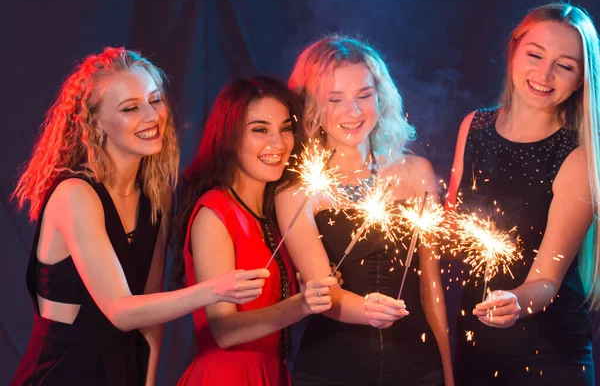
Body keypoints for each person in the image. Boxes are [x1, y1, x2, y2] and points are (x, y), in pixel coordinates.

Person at [10, 47, 268, 386]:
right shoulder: (75, 194)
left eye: (155, 99)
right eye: (131, 108)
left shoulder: (156, 193)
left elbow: (149, 312)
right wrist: (215, 289)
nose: (151, 116)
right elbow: (121, 310)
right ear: (96, 124)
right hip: (63, 373)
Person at [276, 35, 453, 385]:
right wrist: (368, 310)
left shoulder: (417, 173)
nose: (353, 112)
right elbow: (323, 293)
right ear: (310, 105)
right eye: (335, 99)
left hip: (418, 370)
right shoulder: (297, 192)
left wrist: (448, 373)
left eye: (364, 95)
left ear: (381, 96)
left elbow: (431, 286)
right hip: (332, 371)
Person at [447, 2, 600, 385]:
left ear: (581, 80)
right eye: (535, 55)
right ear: (515, 49)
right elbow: (449, 223)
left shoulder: (578, 155)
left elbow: (546, 281)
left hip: (547, 353)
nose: (544, 74)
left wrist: (516, 301)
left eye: (565, 66)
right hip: (474, 340)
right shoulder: (474, 125)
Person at [171, 76, 336, 385]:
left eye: (285, 128)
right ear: (229, 137)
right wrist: (301, 305)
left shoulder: (271, 217)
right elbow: (224, 330)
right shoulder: (215, 212)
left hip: (271, 374)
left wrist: (304, 290)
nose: (278, 143)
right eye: (260, 130)